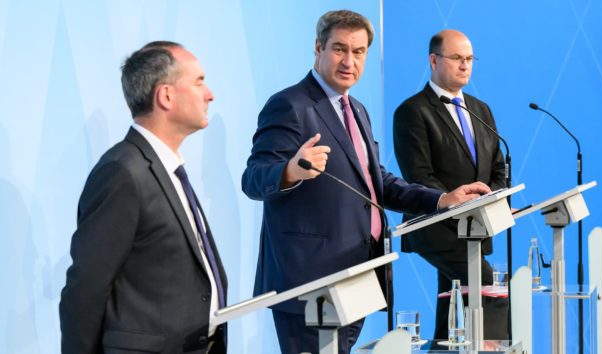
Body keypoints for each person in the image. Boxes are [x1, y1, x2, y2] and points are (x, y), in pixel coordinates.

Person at [241, 11, 491, 354]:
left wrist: (441, 199)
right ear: (318, 48)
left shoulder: (356, 108)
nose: (349, 61)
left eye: (358, 52)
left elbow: (378, 184)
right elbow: (253, 178)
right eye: (339, 49)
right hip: (311, 283)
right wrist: (290, 171)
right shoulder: (290, 105)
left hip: (358, 273)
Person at [59, 41, 228, 353]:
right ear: (165, 95)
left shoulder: (167, 169)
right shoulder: (123, 171)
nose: (210, 94)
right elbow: (86, 289)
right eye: (199, 82)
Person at [393, 29, 507, 340]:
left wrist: (489, 201)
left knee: (449, 314)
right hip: (436, 228)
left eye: (470, 59)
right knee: (487, 291)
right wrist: (459, 204)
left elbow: (499, 167)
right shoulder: (412, 111)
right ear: (433, 60)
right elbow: (418, 176)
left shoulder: (481, 110)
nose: (465, 65)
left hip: (475, 229)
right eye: (457, 58)